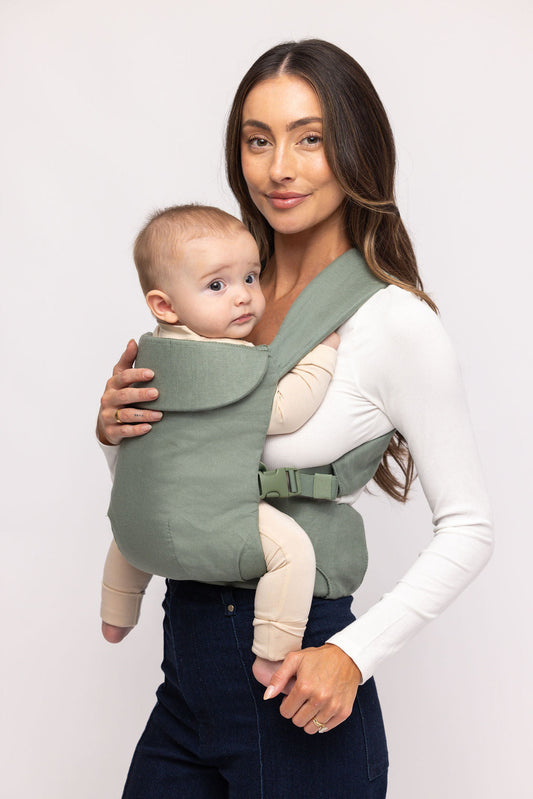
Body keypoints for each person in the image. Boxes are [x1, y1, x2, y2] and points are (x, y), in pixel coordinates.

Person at [97, 39, 493, 798]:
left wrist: (353, 653)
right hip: (186, 671)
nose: (278, 167)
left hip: (298, 678)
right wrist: (116, 432)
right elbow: (183, 476)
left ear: (355, 148)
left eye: (309, 138)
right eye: (258, 139)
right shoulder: (216, 291)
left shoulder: (391, 322)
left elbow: (471, 524)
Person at [101, 202, 340, 682]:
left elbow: (128, 444)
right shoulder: (226, 366)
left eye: (251, 278)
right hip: (211, 516)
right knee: (293, 551)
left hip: (142, 521)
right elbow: (285, 409)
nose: (244, 297)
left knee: (132, 528)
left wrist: (104, 430)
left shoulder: (150, 355)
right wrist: (323, 356)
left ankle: (116, 612)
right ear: (165, 304)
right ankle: (272, 650)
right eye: (217, 285)